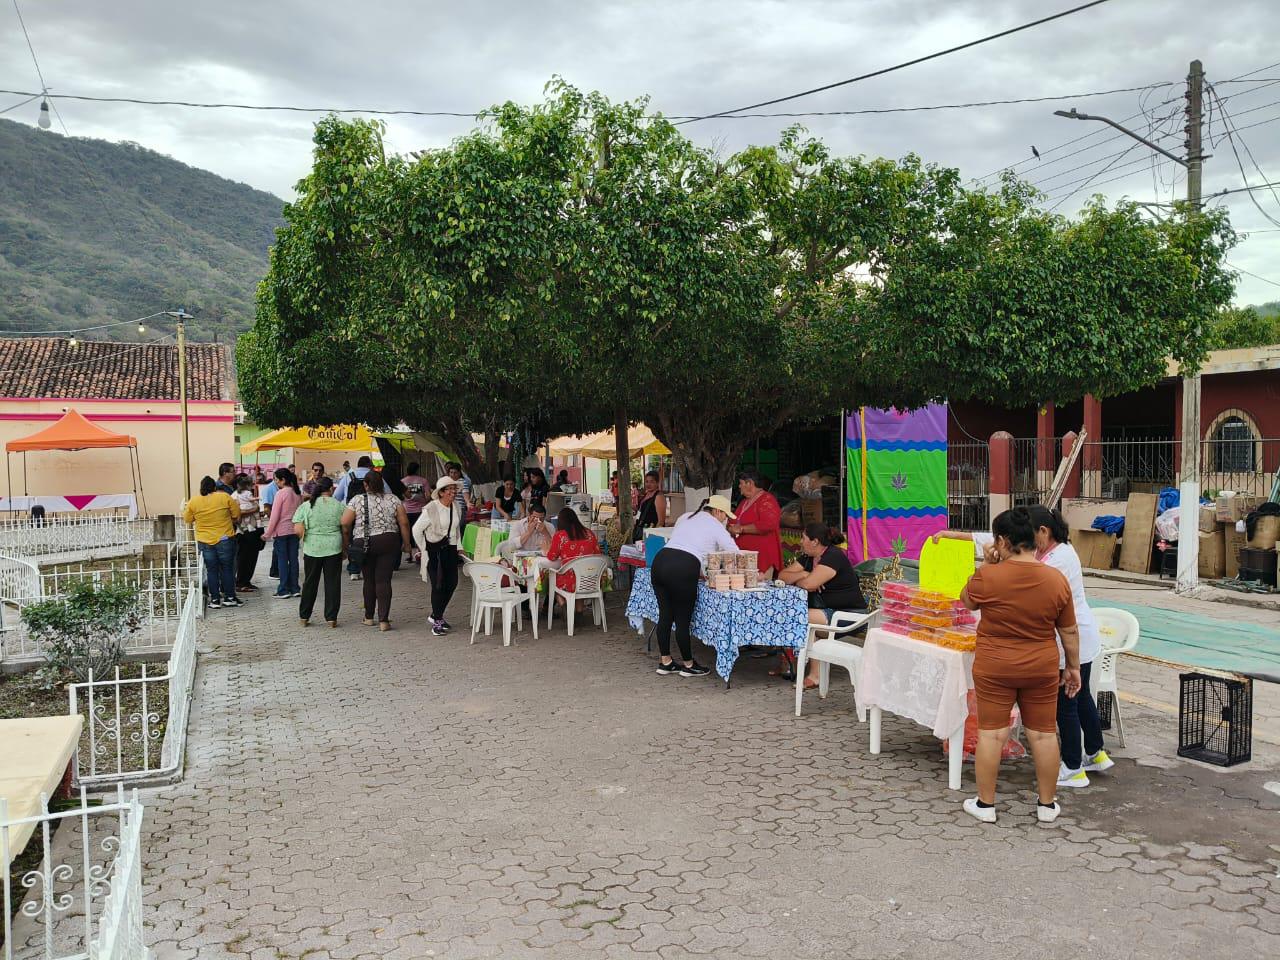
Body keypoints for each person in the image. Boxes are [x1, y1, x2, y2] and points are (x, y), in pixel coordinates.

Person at [934, 508, 1112, 790]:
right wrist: (950, 535)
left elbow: (969, 600)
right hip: (1052, 654)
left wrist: (990, 568)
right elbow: (1069, 629)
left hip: (1013, 660)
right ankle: (1075, 772)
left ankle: (1071, 768)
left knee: (1006, 730)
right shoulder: (1052, 564)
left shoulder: (1045, 566)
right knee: (1049, 728)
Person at [959, 507, 1082, 825]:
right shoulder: (1055, 578)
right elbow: (1068, 630)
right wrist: (1074, 668)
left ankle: (986, 805)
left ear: (1001, 541)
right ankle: (1046, 805)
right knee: (1043, 735)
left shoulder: (989, 575)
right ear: (1033, 539)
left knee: (992, 735)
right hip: (1040, 666)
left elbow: (967, 600)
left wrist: (986, 564)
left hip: (995, 665)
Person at [1027, 505, 1111, 788]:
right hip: (1078, 636)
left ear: (1043, 531)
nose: (1025, 544)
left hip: (1071, 639)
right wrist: (956, 536)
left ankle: (1073, 767)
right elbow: (994, 540)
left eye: (1029, 536)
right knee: (1082, 695)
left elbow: (1029, 579)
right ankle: (1095, 753)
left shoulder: (1059, 558)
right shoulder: (1051, 551)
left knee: (1067, 704)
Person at [651, 495, 739, 678]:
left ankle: (665, 661)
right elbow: (734, 552)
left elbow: (685, 542)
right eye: (725, 515)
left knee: (665, 615)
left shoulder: (686, 516)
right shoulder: (715, 525)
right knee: (682, 619)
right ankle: (689, 665)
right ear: (717, 511)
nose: (725, 520)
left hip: (660, 561)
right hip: (683, 567)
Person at [778, 523, 868, 688]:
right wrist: (804, 574)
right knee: (800, 617)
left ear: (815, 541)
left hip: (848, 614)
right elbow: (782, 576)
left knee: (798, 616)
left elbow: (809, 585)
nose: (800, 542)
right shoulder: (808, 557)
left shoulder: (833, 556)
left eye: (803, 538)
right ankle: (813, 675)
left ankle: (799, 667)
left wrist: (804, 579)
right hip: (826, 611)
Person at [342, 470, 411, 632]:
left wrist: (346, 544)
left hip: (364, 543)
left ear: (365, 485)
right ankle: (384, 621)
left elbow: (345, 523)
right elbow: (404, 523)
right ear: (382, 484)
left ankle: (368, 617)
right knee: (384, 581)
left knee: (369, 580)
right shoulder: (393, 499)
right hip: (389, 541)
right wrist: (406, 544)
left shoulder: (357, 500)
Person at [413, 476, 464, 637]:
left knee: (452, 582)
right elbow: (417, 529)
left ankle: (436, 614)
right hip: (434, 551)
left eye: (454, 489)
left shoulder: (455, 507)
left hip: (450, 548)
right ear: (441, 492)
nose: (453, 492)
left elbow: (456, 530)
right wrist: (423, 548)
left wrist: (459, 547)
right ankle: (437, 621)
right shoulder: (431, 508)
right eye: (449, 489)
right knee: (438, 584)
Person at [293, 476, 345, 627]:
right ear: (331, 489)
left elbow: (297, 528)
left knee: (310, 583)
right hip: (333, 547)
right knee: (333, 583)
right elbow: (345, 527)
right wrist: (345, 546)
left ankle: (304, 617)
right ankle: (331, 618)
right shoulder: (338, 505)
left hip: (312, 548)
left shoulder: (306, 505)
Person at [183, 476, 242, 609]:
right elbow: (236, 514)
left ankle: (215, 599)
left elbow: (187, 519)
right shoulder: (224, 497)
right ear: (214, 487)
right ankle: (229, 597)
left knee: (211, 570)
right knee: (227, 569)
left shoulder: (194, 501)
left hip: (205, 541)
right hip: (225, 538)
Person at [728, 469, 782, 576]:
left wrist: (741, 529)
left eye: (741, 483)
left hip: (761, 557)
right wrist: (730, 528)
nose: (739, 486)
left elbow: (769, 524)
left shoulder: (767, 499)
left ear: (750, 483)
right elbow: (733, 521)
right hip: (743, 558)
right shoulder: (744, 502)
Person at [545, 507, 601, 598]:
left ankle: (564, 606)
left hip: (570, 582)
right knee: (579, 576)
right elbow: (598, 554)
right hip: (592, 580)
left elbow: (552, 557)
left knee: (550, 579)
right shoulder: (589, 533)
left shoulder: (560, 535)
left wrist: (546, 549)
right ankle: (579, 611)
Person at [264, 468, 303, 599]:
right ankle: (295, 588)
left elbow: (274, 516)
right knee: (293, 560)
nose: (275, 482)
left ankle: (283, 589)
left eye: (276, 479)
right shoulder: (298, 493)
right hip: (294, 531)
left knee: (282, 561)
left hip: (281, 532)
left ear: (283, 480)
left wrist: (267, 533)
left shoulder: (281, 494)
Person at [232, 475, 265, 593]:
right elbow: (237, 513)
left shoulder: (247, 494)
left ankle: (247, 581)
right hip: (243, 531)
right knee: (244, 557)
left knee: (252, 556)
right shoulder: (235, 496)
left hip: (254, 528)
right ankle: (241, 582)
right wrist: (254, 510)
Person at [401, 462, 429, 560]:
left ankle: (409, 555)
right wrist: (423, 501)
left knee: (408, 533)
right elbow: (428, 496)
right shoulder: (423, 481)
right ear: (417, 470)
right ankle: (419, 553)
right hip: (420, 511)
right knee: (420, 532)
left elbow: (401, 496)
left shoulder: (403, 481)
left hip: (406, 510)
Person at [632, 470, 667, 542]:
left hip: (650, 533)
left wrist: (652, 537)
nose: (648, 484)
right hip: (640, 530)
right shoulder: (646, 494)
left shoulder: (659, 496)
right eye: (647, 481)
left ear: (657, 483)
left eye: (652, 482)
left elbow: (661, 521)